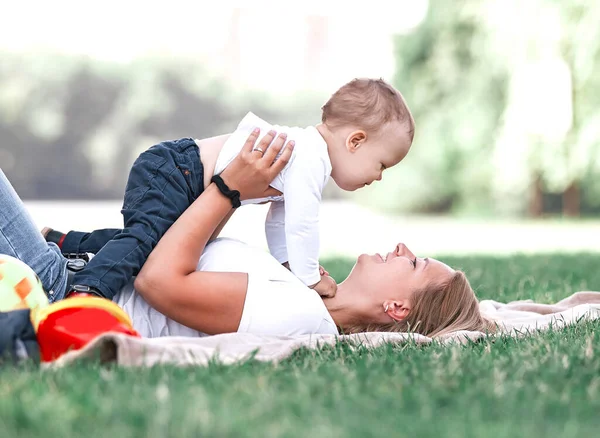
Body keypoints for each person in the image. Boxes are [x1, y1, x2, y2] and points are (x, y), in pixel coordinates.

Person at [0, 130, 492, 338]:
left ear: (397, 310)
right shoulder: (303, 294)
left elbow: (158, 282)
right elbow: (180, 248)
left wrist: (229, 188)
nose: (403, 248)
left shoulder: (301, 317)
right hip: (60, 267)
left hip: (56, 293)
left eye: (414, 263)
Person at [44, 78, 415, 301]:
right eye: (381, 165)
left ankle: (65, 243)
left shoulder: (306, 157)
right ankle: (85, 293)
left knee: (152, 242)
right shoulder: (310, 159)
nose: (379, 177)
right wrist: (309, 278)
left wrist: (287, 264)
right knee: (144, 242)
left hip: (184, 177)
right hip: (176, 171)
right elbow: (302, 224)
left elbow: (279, 220)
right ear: (355, 141)